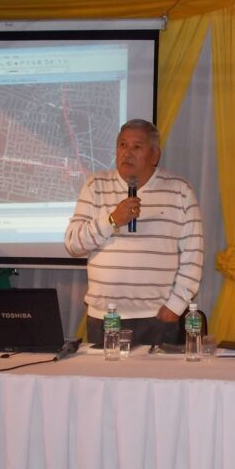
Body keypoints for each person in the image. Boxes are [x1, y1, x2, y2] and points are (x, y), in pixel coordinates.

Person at [65, 119, 203, 346]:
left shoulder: (180, 190)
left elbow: (193, 255)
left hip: (157, 317)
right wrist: (111, 220)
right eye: (122, 145)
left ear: (155, 155)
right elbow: (73, 244)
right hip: (105, 318)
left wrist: (175, 307)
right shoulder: (95, 185)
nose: (127, 153)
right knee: (103, 383)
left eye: (136, 147)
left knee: (157, 383)